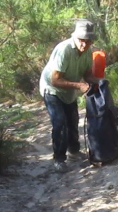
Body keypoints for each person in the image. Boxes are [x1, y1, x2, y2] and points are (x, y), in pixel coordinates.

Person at [39, 19, 101, 173]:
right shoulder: (64, 50)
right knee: (59, 122)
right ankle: (59, 159)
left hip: (68, 90)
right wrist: (79, 85)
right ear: (75, 37)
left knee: (73, 120)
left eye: (88, 41)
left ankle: (73, 151)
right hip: (51, 89)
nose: (84, 44)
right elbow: (55, 80)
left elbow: (87, 74)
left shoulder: (88, 53)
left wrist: (99, 82)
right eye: (81, 40)